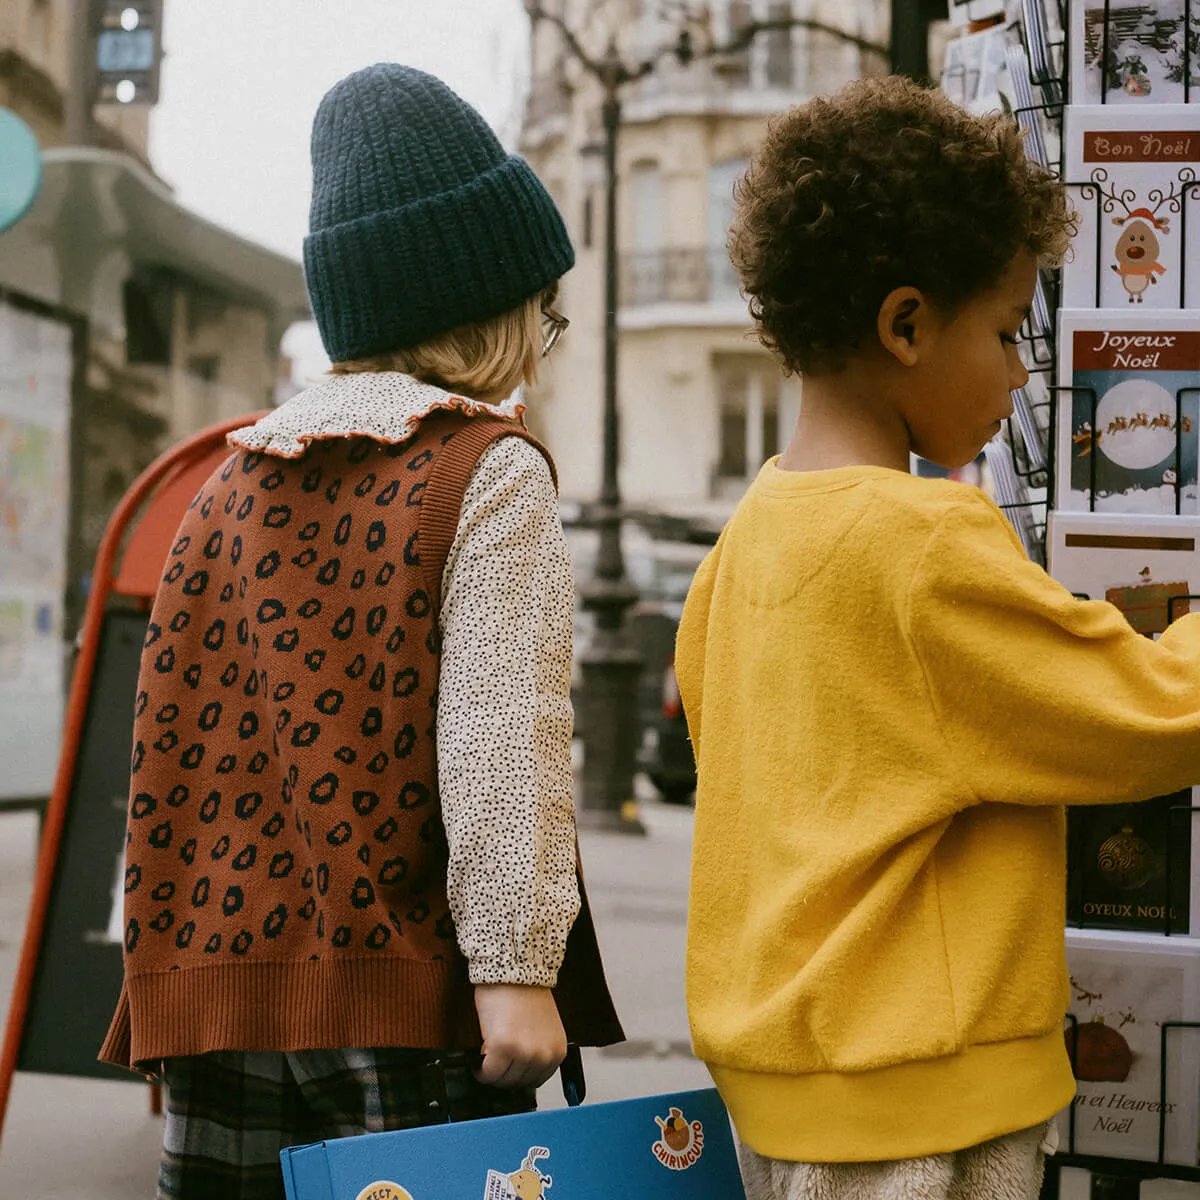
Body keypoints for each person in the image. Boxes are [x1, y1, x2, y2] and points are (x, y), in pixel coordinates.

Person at [99, 63, 622, 1200]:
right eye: (547, 306)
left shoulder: (226, 489)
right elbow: (501, 738)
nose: (551, 336)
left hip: (217, 1005)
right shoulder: (482, 474)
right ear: (492, 303)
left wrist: (159, 978)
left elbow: (169, 755)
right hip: (410, 1003)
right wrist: (518, 970)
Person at [677, 75, 1200, 1200]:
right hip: (920, 1097)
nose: (1022, 373)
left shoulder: (741, 544)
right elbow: (1156, 713)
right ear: (907, 324)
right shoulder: (926, 545)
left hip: (778, 1091)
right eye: (1009, 331)